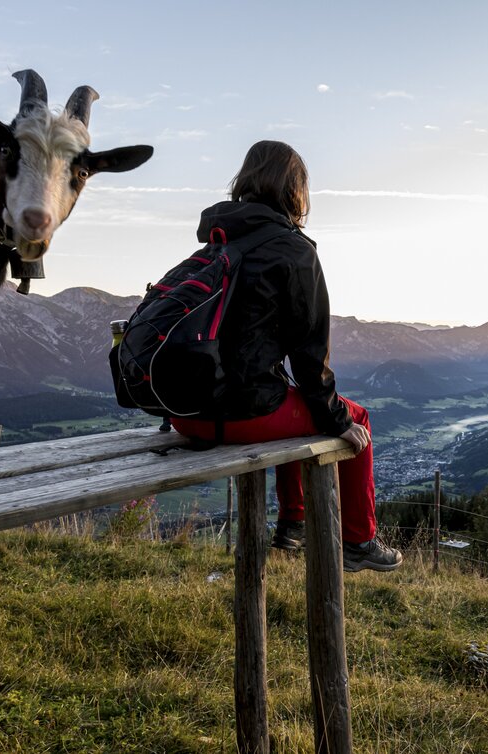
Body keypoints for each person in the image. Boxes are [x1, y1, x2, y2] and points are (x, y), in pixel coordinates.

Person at [170, 140, 401, 573]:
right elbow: (310, 360)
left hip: (187, 412)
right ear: (296, 190)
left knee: (285, 395)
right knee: (358, 417)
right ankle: (358, 540)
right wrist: (339, 421)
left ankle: (292, 523)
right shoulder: (294, 250)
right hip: (242, 415)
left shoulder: (215, 245)